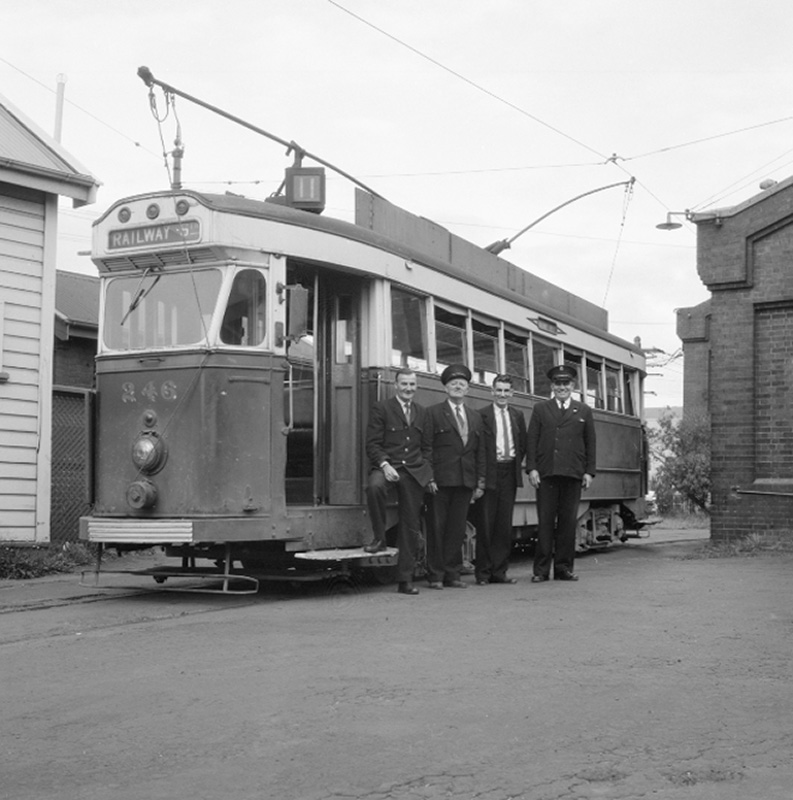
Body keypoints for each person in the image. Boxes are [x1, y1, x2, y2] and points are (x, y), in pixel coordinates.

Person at [364, 368, 433, 596]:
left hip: (413, 472)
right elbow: (372, 444)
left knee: (410, 525)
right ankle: (379, 539)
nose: (408, 389)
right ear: (396, 385)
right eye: (404, 384)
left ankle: (405, 580)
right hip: (388, 466)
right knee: (374, 487)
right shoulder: (382, 408)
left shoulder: (423, 412)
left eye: (412, 385)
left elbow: (427, 448)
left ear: (416, 387)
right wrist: (385, 465)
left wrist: (427, 473)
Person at [526, 364, 596, 583]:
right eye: (558, 383)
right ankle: (541, 571)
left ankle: (563, 568)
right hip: (547, 473)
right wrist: (532, 468)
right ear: (552, 386)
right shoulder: (541, 409)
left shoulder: (583, 410)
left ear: (573, 386)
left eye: (566, 383)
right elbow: (532, 440)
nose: (562, 387)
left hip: (573, 474)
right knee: (545, 523)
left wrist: (589, 472)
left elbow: (590, 443)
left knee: (567, 523)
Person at [424, 364, 486, 589]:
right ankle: (435, 576)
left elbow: (480, 452)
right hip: (439, 482)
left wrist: (480, 482)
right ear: (445, 388)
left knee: (457, 530)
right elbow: (427, 448)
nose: (458, 387)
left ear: (467, 389)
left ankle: (452, 574)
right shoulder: (432, 413)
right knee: (437, 528)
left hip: (465, 481)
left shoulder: (475, 417)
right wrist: (429, 478)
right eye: (453, 384)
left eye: (462, 384)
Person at [474, 374, 527, 585]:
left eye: (506, 391)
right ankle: (483, 573)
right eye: (499, 390)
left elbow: (522, 444)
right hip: (490, 471)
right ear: (492, 391)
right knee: (486, 524)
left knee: (504, 525)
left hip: (509, 471)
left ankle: (499, 572)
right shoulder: (482, 415)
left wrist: (512, 461)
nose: (502, 394)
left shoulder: (517, 415)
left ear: (511, 393)